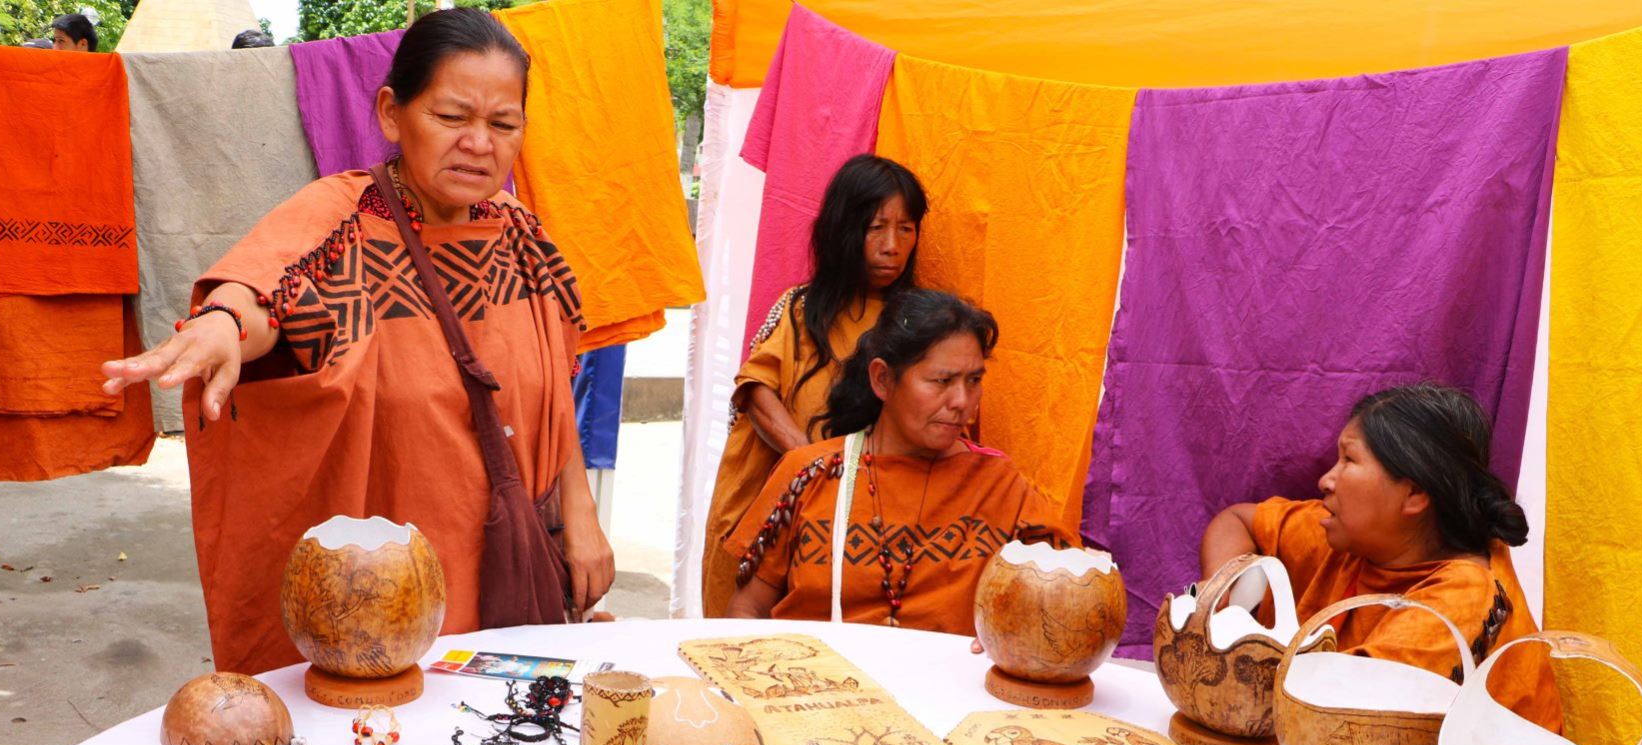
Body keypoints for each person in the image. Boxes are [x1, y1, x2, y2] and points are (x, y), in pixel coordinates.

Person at [99, 8, 613, 674]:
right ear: (391, 113)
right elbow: (268, 288)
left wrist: (582, 515)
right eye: (453, 118)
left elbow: (554, 385)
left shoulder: (521, 234)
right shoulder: (345, 220)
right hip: (382, 600)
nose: (479, 143)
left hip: (519, 565)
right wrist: (223, 323)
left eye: (503, 123)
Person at [1200, 382, 1561, 729]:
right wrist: (1219, 594)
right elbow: (1237, 521)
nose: (1326, 480)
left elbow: (1338, 709)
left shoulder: (1464, 596)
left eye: (1348, 460)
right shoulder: (1352, 539)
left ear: (1414, 494)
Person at [725, 290, 1062, 635]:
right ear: (883, 380)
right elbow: (747, 609)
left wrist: (1008, 647)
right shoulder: (810, 474)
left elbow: (1064, 606)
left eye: (974, 381)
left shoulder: (999, 486)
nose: (962, 401)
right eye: (942, 381)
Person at [701, 154, 927, 616]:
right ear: (845, 230)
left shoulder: (918, 324)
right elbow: (757, 391)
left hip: (867, 526)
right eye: (876, 227)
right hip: (776, 510)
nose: (892, 246)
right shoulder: (802, 309)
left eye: (905, 228)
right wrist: (812, 468)